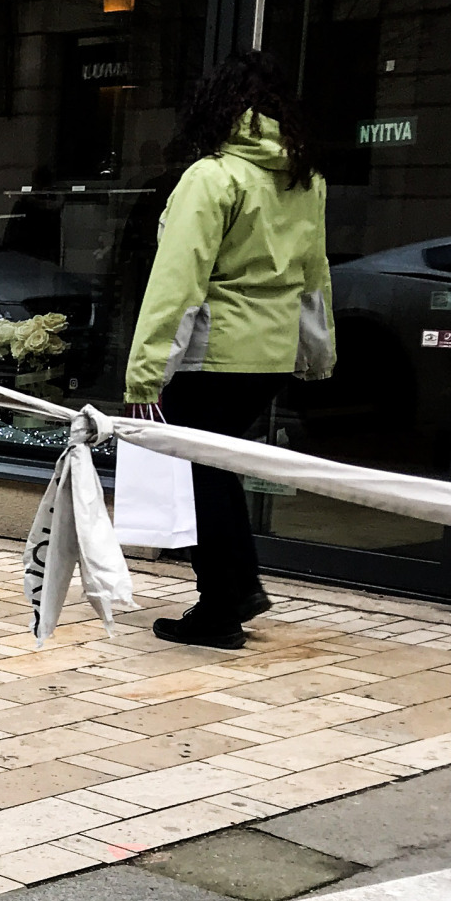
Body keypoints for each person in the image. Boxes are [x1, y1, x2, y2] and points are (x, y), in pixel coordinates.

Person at [123, 50, 334, 651]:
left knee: (197, 477)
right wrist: (316, 354)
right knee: (212, 473)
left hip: (213, 355)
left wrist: (145, 376)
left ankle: (224, 604)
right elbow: (315, 274)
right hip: (267, 358)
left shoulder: (212, 178)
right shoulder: (305, 178)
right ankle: (234, 589)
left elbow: (177, 282)